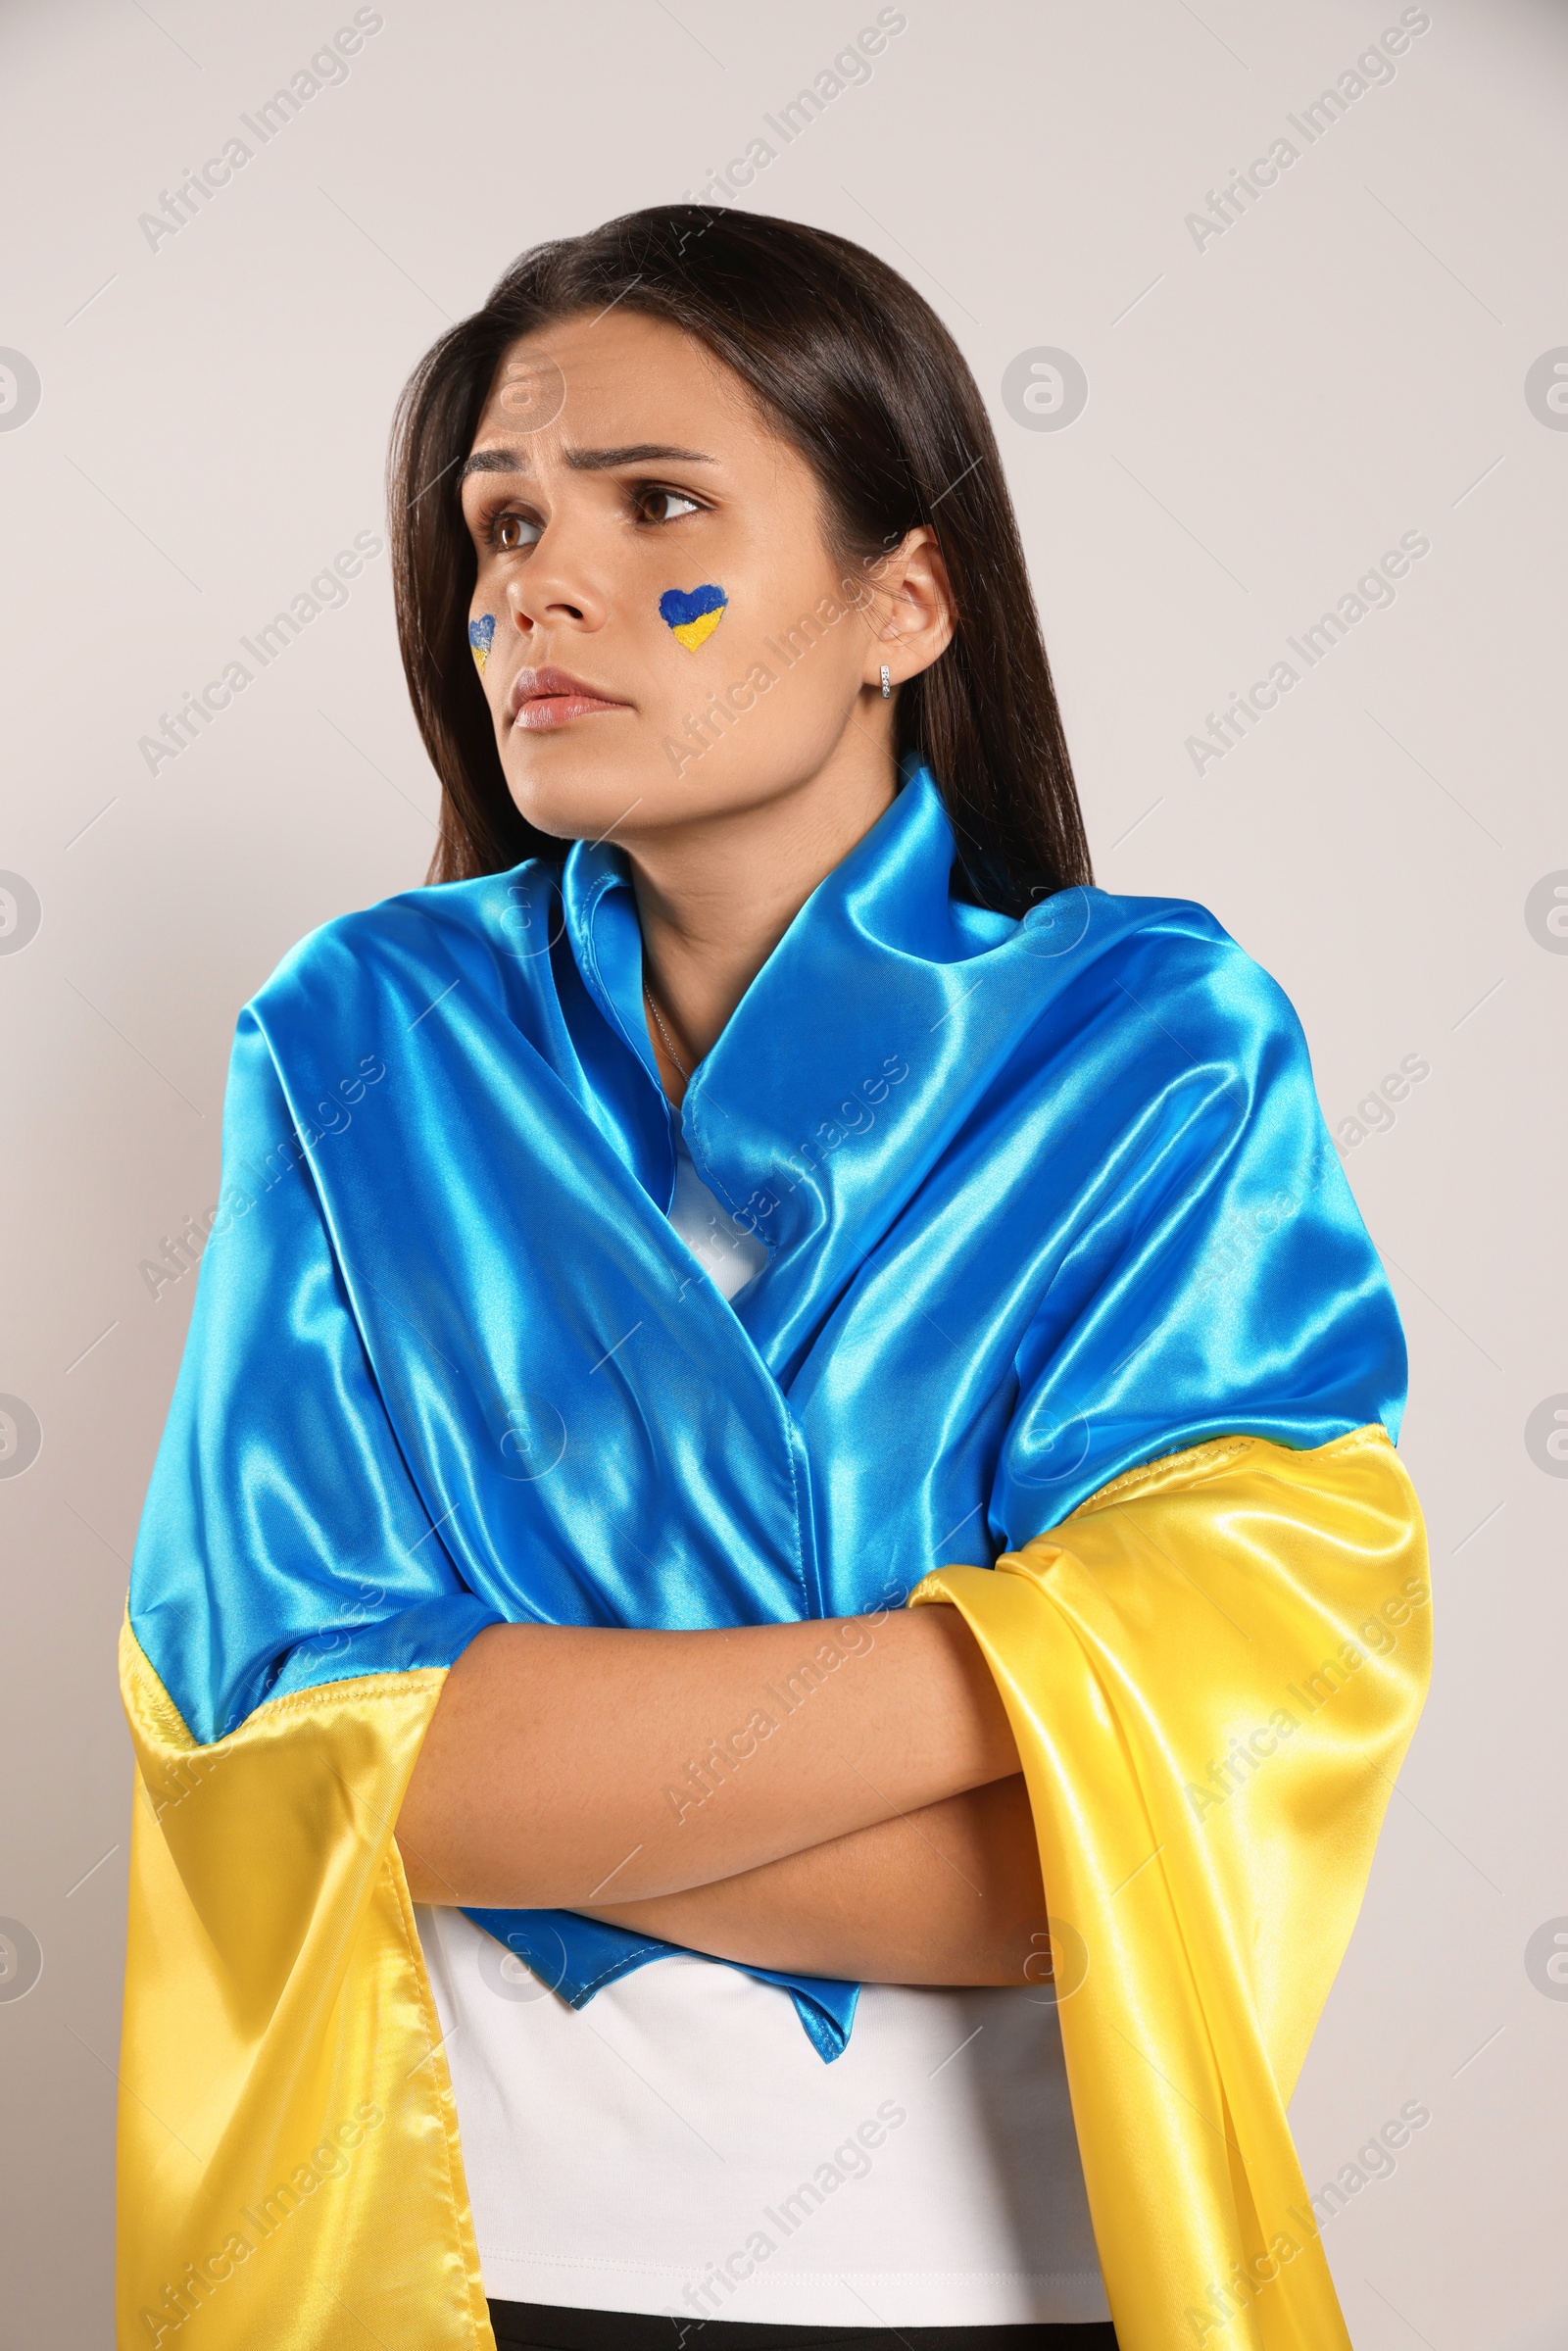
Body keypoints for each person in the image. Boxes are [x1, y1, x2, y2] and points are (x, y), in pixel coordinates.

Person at [118, 209, 1430, 2351]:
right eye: (502, 522)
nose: (537, 582)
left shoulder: (1152, 1042)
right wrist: (1033, 1680)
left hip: (988, 2269)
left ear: (902, 598)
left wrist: (502, 1765)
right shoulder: (361, 1035)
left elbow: (1160, 1812)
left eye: (655, 509)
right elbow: (280, 1725)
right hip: (464, 2253)